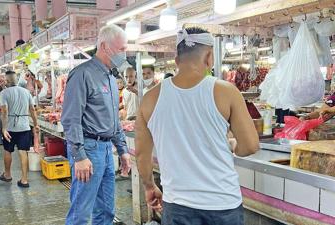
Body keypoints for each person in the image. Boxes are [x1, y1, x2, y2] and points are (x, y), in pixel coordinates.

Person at [135, 27, 259, 225]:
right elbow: (250, 146)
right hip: (223, 204)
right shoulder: (226, 91)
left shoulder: (150, 98)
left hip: (177, 206)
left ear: (177, 60)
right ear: (209, 57)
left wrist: (149, 185)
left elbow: (141, 154)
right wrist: (233, 145)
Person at [61, 24, 131, 225]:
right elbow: (71, 118)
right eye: (122, 49)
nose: (125, 54)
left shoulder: (110, 76)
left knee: (106, 210)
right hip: (88, 150)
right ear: (104, 46)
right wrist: (79, 156)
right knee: (81, 212)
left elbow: (113, 119)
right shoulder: (82, 74)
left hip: (107, 150)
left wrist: (122, 149)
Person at [0, 71, 39, 188]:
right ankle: (24, 180)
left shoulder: (4, 93)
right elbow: (32, 110)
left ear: (7, 81)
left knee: (7, 150)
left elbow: (4, 111)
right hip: (24, 126)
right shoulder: (26, 92)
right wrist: (36, 124)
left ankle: (7, 175)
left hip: (10, 127)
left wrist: (4, 128)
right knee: (23, 152)